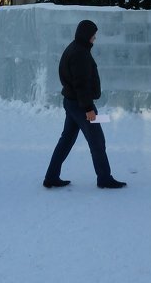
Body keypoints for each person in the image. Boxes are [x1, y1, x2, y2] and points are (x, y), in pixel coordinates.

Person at [43, 19, 126, 190]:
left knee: (66, 140)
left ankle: (51, 176)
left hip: (72, 102)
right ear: (86, 35)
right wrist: (88, 108)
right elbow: (80, 83)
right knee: (97, 141)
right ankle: (104, 178)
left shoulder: (74, 48)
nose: (94, 39)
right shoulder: (80, 53)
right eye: (93, 36)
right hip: (81, 105)